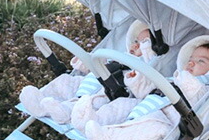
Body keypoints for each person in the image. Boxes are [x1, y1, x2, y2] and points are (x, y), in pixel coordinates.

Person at [79, 37, 209, 140]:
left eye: (201, 61)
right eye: (190, 59)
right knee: (121, 104)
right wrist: (136, 81)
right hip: (145, 107)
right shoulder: (174, 79)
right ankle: (89, 121)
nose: (191, 63)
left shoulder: (206, 89)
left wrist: (185, 78)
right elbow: (149, 91)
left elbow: (194, 92)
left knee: (149, 129)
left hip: (168, 125)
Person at [19, 21, 156, 124]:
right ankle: (40, 102)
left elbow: (142, 86)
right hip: (87, 82)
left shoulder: (143, 68)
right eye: (136, 41)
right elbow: (96, 62)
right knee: (65, 81)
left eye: (144, 42)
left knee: (90, 102)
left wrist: (134, 77)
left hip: (110, 92)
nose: (136, 45)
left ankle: (64, 112)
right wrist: (84, 61)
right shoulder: (117, 56)